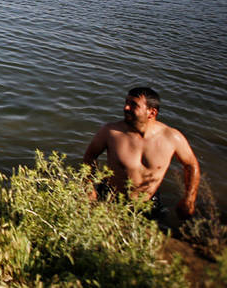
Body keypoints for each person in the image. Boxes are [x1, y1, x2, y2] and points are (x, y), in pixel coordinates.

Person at [83, 87, 200, 218]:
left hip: (148, 203)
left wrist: (189, 199)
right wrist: (89, 188)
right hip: (111, 197)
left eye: (133, 105)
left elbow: (191, 165)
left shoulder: (172, 137)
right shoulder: (111, 132)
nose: (126, 108)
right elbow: (89, 157)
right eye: (126, 103)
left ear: (152, 112)